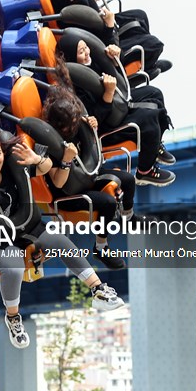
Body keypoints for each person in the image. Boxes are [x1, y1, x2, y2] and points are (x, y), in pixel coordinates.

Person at [0, 122, 124, 331]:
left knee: (61, 241)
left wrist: (37, 159)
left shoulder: (13, 166)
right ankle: (13, 318)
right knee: (15, 266)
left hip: (27, 226)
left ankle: (98, 290)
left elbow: (47, 169)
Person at [41, 77, 135, 267]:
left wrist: (92, 128)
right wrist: (66, 160)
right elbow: (58, 183)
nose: (75, 126)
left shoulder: (77, 127)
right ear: (60, 126)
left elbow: (92, 151)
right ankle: (101, 248)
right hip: (68, 194)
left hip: (87, 176)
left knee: (128, 179)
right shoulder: (48, 144)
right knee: (108, 203)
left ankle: (129, 217)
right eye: (71, 124)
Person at [67, 38, 176, 187]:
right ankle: (145, 172)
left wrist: (115, 58)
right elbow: (94, 116)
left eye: (86, 47)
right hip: (107, 124)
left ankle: (155, 146)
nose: (86, 53)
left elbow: (116, 74)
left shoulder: (93, 61)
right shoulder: (76, 84)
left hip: (118, 104)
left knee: (155, 94)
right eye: (81, 52)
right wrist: (108, 94)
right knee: (150, 117)